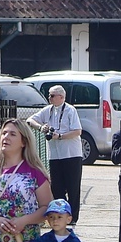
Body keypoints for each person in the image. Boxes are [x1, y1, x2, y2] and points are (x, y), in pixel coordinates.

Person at [27, 85, 84, 224]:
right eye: (49, 95)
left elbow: (77, 131)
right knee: (56, 187)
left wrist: (60, 136)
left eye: (52, 95)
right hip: (55, 155)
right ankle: (61, 215)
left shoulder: (70, 110)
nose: (49, 98)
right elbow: (30, 120)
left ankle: (73, 218)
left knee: (72, 187)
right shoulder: (48, 110)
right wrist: (41, 127)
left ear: (61, 97)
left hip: (71, 154)